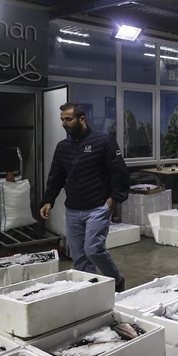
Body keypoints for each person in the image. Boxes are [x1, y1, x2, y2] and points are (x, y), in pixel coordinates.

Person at [40, 103, 130, 291]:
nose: (64, 123)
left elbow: (119, 172)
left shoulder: (104, 141)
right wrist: (48, 200)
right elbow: (56, 176)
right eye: (62, 120)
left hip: (97, 207)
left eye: (68, 119)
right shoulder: (63, 147)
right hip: (72, 209)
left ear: (82, 119)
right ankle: (89, 291)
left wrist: (115, 198)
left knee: (93, 250)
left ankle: (116, 281)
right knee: (79, 256)